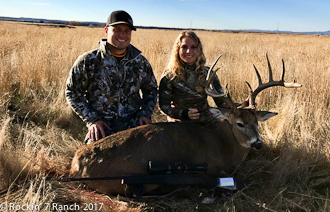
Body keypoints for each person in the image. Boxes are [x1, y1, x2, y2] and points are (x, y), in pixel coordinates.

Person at [65, 10, 157, 144]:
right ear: (106, 30)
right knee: (95, 159)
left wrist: (145, 114)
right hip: (102, 127)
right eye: (117, 30)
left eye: (127, 31)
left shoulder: (140, 62)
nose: (122, 35)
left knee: (150, 155)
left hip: (134, 124)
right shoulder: (89, 61)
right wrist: (92, 120)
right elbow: (72, 92)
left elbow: (152, 90)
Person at [159, 31, 225, 127]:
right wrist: (183, 114)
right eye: (184, 47)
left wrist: (242, 104)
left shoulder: (208, 73)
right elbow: (164, 106)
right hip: (180, 125)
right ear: (178, 49)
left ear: (199, 49)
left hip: (206, 123)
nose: (188, 51)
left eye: (193, 47)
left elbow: (221, 102)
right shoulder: (169, 76)